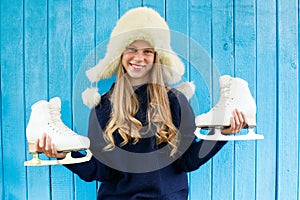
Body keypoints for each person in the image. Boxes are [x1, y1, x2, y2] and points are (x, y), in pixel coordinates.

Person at [35, 7, 248, 200]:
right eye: (131, 49)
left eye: (147, 51)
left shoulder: (175, 101)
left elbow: (187, 161)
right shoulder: (103, 106)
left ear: (157, 57)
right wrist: (65, 155)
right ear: (120, 55)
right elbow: (100, 171)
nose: (139, 57)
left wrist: (221, 134)